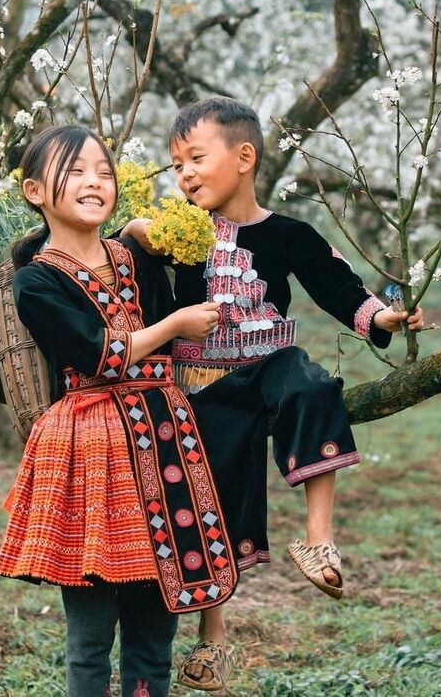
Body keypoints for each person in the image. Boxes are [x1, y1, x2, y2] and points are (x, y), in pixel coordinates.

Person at [123, 97, 424, 692]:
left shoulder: (288, 234)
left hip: (269, 361)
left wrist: (382, 319)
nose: (183, 173)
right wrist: (136, 230)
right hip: (205, 384)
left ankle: (319, 539)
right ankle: (213, 642)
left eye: (195, 158)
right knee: (219, 496)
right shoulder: (174, 234)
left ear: (243, 157)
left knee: (313, 387)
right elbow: (115, 256)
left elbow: (336, 284)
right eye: (175, 163)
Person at [0, 124, 239, 697]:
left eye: (103, 172)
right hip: (89, 449)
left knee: (156, 634)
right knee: (90, 641)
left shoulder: (135, 259)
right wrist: (176, 324)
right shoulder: (35, 280)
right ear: (35, 191)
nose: (93, 182)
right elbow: (101, 354)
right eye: (75, 171)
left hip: (164, 438)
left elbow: (194, 313)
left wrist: (165, 244)